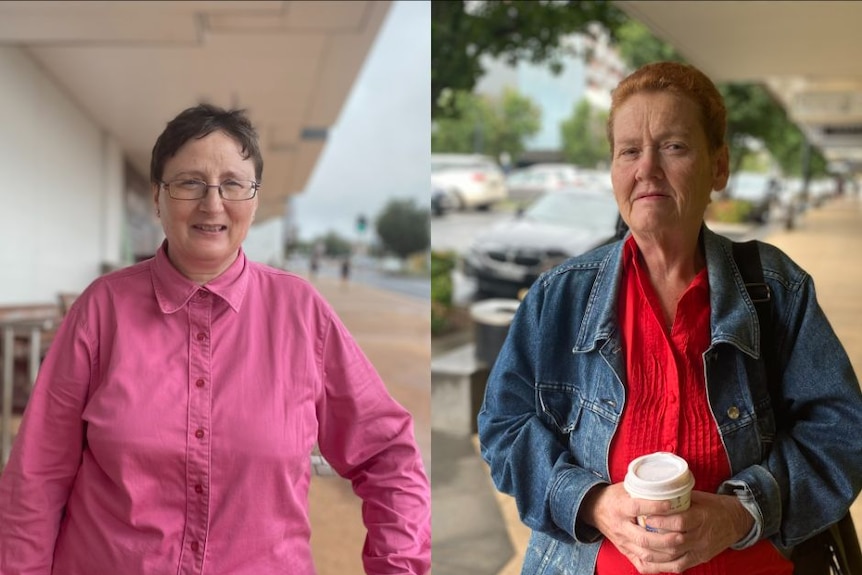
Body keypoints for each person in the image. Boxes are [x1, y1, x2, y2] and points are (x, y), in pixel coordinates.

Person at [0, 104, 431, 574]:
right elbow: (36, 478)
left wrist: (399, 566)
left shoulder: (301, 314)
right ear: (157, 198)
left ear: (255, 199)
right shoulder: (101, 311)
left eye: (233, 183)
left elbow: (388, 455)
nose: (212, 203)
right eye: (189, 183)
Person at [478, 61, 862, 575]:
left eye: (674, 147)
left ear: (718, 167)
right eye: (629, 151)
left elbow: (842, 431)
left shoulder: (775, 288)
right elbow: (504, 426)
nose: (647, 169)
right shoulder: (559, 298)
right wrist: (590, 501)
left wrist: (739, 513)